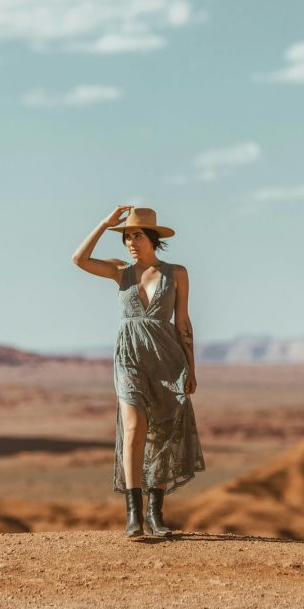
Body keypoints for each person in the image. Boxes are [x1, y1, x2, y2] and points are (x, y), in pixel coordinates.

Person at [72, 205, 206, 538]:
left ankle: (154, 513)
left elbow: (183, 322)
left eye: (137, 235)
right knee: (133, 427)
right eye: (127, 237)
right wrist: (105, 224)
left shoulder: (177, 274)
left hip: (166, 358)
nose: (131, 242)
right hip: (129, 357)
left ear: (152, 238)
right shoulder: (121, 272)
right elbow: (79, 259)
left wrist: (190, 367)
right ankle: (133, 514)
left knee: (160, 433)